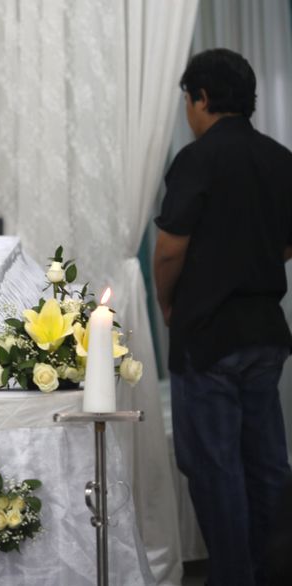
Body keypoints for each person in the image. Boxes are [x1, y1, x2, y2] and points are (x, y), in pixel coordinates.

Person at [153, 48, 292, 586]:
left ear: (201, 98)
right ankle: (272, 571)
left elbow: (168, 249)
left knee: (214, 471)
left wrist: (169, 302)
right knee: (267, 464)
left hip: (207, 335)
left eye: (189, 99)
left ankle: (234, 578)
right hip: (265, 333)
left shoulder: (198, 158)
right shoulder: (281, 159)